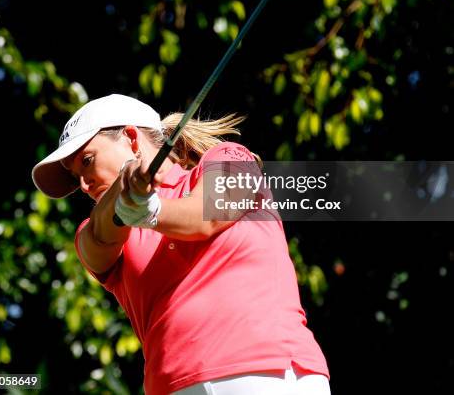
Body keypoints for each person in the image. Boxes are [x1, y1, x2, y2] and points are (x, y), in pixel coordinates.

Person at [32, 94, 330, 395]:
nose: (83, 185)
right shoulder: (98, 228)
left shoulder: (230, 158)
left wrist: (150, 209)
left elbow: (207, 216)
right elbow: (99, 236)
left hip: (268, 372)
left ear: (132, 139)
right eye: (77, 176)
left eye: (87, 161)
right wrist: (126, 190)